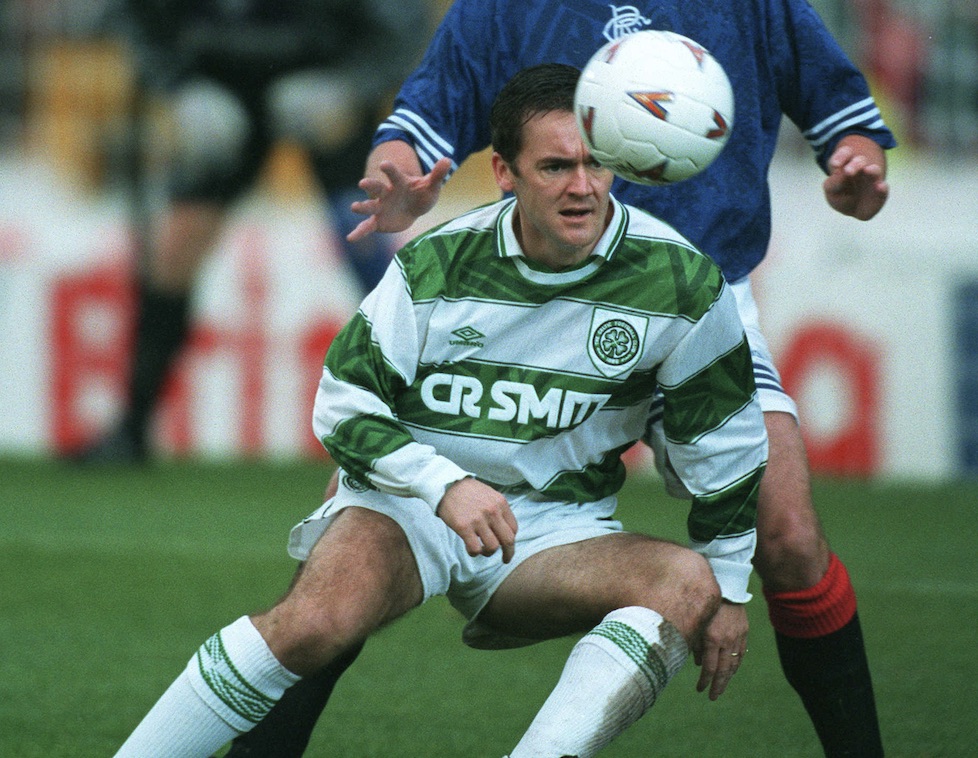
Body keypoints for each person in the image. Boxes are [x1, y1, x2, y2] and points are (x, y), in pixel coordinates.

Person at [247, 1, 894, 756]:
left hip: (702, 303)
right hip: (535, 308)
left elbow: (840, 107)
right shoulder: (505, 7)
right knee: (364, 520)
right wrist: (396, 165)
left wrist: (858, 157)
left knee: (787, 534)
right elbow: (424, 115)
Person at [114, 62, 768, 758]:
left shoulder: (679, 280)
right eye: (553, 167)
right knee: (309, 626)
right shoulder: (438, 264)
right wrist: (442, 485)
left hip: (552, 535)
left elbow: (725, 443)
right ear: (505, 173)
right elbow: (345, 399)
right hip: (411, 510)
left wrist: (729, 586)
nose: (581, 187)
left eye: (595, 163)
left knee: (686, 582)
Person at [77, 0, 427, 463]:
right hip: (221, 90)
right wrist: (180, 87)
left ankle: (420, 420)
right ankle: (134, 428)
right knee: (175, 246)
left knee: (362, 236)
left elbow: (403, 24)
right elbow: (137, 18)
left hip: (324, 82)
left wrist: (349, 85)